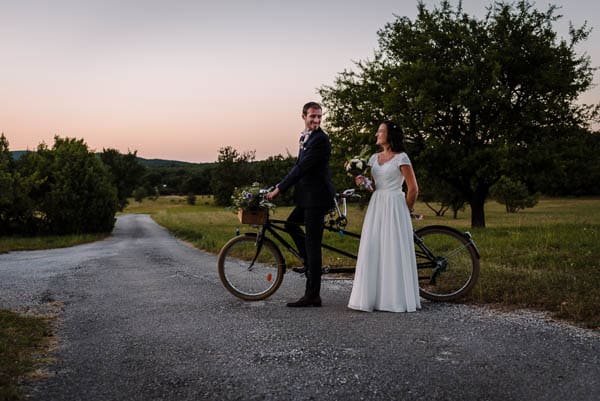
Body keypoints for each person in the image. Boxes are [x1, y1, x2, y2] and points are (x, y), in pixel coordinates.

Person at [265, 102, 335, 307]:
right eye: (313, 116)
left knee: (313, 246)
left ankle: (313, 295)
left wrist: (279, 189)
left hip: (317, 198)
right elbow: (298, 166)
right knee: (290, 225)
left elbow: (302, 168)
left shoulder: (321, 139)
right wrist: (278, 184)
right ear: (303, 116)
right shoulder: (306, 136)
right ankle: (309, 264)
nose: (316, 120)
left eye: (319, 117)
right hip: (307, 197)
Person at [348, 121, 421, 312]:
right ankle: (376, 297)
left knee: (393, 248)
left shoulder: (401, 158)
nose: (376, 134)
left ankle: (395, 298)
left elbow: (413, 189)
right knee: (374, 246)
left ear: (390, 135)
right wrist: (362, 182)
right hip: (377, 205)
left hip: (396, 205)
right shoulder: (373, 159)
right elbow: (373, 187)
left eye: (380, 131)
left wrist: (406, 210)